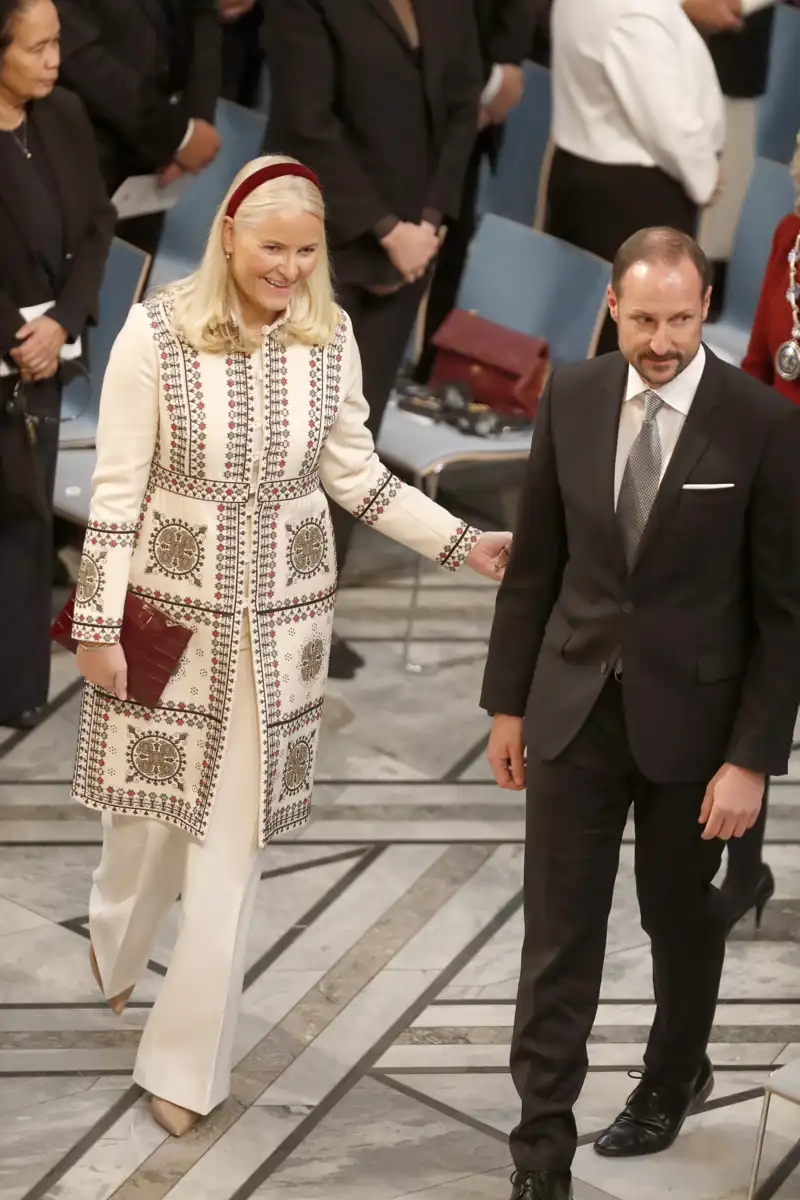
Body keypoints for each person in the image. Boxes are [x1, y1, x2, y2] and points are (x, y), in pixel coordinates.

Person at [70, 155, 510, 1139]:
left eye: (306, 251)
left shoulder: (328, 339)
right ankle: (116, 932)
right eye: (274, 247)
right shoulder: (155, 337)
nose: (289, 267)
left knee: (228, 854)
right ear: (229, 232)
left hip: (278, 634)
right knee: (142, 828)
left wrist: (461, 542)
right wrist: (95, 623)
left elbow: (357, 479)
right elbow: (113, 494)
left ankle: (185, 1067)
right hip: (163, 617)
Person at [482, 227, 800, 1200]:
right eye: (642, 318)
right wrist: (506, 705)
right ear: (612, 305)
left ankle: (670, 1077)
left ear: (704, 306)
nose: (659, 340)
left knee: (679, 919)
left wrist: (749, 757)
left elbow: (783, 614)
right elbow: (534, 566)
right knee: (557, 938)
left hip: (695, 732)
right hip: (573, 712)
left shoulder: (757, 421)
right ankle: (539, 1153)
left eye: (677, 318)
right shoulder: (571, 397)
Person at [262, 0, 482, 678]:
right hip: (312, 247)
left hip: (409, 252)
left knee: (350, 444)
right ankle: (260, 619)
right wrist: (386, 227)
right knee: (286, 443)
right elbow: (308, 121)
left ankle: (311, 620)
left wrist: (428, 222)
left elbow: (461, 105)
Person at [0, 0, 114, 730]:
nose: (53, 59)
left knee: (25, 522)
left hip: (46, 359)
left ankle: (13, 689)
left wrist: (63, 322)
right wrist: (17, 333)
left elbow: (98, 225)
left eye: (57, 43)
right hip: (11, 348)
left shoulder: (63, 114)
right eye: (37, 47)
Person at [546, 0, 726, 355]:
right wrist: (703, 174)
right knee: (629, 340)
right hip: (635, 197)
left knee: (579, 325)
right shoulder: (634, 13)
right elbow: (668, 122)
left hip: (584, 173)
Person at [721, 132, 800, 929]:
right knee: (760, 671)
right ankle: (745, 870)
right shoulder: (788, 237)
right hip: (779, 486)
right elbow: (758, 358)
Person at [414, 0, 536, 383]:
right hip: (396, 91)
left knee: (447, 243)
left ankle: (421, 373)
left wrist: (498, 76)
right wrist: (489, 80)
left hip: (468, 121)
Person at [54, 0, 222, 253]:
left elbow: (203, 13)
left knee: (131, 279)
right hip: (78, 147)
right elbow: (76, 53)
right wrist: (178, 135)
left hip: (154, 161)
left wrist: (198, 117)